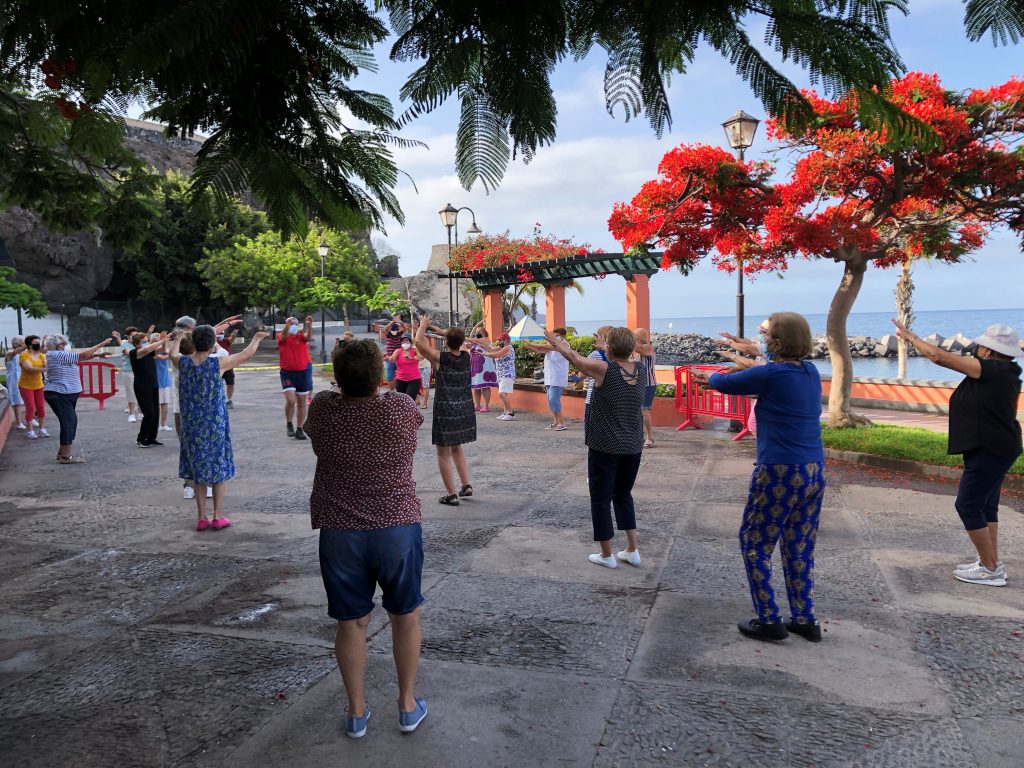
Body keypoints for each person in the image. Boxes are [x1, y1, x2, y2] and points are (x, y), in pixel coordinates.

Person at [304, 338, 429, 738]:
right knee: (405, 616)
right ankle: (407, 705)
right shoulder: (400, 407)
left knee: (350, 624)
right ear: (381, 374)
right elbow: (410, 415)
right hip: (397, 527)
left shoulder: (323, 409)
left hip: (341, 534)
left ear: (338, 377)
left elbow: (321, 402)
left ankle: (357, 712)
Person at [694, 312, 825, 642]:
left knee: (755, 543)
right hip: (813, 470)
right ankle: (805, 619)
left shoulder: (772, 374)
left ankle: (769, 619)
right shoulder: (810, 372)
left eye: (769, 337)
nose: (764, 340)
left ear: (778, 343)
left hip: (779, 471)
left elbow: (722, 383)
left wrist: (704, 376)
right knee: (799, 545)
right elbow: (763, 373)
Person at [893, 320, 1023, 587]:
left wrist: (910, 338)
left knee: (967, 504)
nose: (976, 348)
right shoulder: (1006, 371)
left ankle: (989, 569)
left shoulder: (990, 369)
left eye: (981, 345)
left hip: (990, 448)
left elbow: (939, 356)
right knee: (986, 505)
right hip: (997, 445)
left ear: (988, 351)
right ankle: (992, 562)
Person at [544, 327, 646, 568]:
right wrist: (608, 346)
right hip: (632, 445)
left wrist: (559, 344)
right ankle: (632, 549)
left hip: (605, 446)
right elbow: (620, 355)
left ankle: (607, 555)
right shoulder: (640, 370)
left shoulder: (605, 370)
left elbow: (574, 359)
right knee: (623, 495)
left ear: (609, 348)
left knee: (600, 499)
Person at [169, 324, 268, 530]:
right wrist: (257, 338)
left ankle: (201, 517)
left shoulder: (184, 363)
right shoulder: (218, 363)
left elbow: (172, 354)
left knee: (197, 471)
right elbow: (246, 355)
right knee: (218, 468)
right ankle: (218, 516)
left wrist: (178, 338)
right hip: (214, 424)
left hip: (191, 425)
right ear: (213, 343)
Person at [414, 319, 475, 505]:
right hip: (464, 408)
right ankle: (466, 485)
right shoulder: (467, 356)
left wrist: (423, 325)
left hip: (446, 409)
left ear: (446, 342)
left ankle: (451, 494)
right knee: (457, 447)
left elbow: (418, 342)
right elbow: (459, 341)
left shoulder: (441, 358)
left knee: (443, 453)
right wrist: (446, 334)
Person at [42, 334, 112, 463]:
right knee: (69, 422)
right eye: (62, 343)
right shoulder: (56, 354)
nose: (65, 345)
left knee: (69, 422)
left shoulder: (61, 355)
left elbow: (80, 358)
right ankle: (65, 457)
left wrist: (98, 355)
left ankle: (62, 452)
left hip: (66, 393)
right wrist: (101, 344)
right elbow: (83, 356)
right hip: (60, 393)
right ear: (56, 346)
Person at [524, 327, 570, 430]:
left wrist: (531, 343)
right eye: (554, 335)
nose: (555, 337)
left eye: (557, 335)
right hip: (549, 377)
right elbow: (541, 349)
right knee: (550, 400)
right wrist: (529, 347)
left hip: (558, 378)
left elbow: (545, 346)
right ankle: (555, 422)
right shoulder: (551, 348)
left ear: (563, 336)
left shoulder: (564, 345)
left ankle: (562, 423)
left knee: (554, 399)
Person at [277, 315, 314, 439]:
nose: (293, 326)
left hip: (302, 372)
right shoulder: (281, 336)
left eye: (295, 324)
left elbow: (308, 337)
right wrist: (287, 325)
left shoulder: (301, 336)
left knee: (302, 402)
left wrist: (309, 326)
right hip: (287, 373)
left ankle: (300, 428)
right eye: (291, 323)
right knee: (291, 400)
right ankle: (289, 424)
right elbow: (282, 337)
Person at [129, 331, 167, 447]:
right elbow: (145, 350)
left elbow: (162, 350)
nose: (146, 344)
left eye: (147, 341)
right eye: (144, 342)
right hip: (142, 386)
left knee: (155, 413)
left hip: (153, 385)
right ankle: (141, 438)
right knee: (149, 413)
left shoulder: (150, 353)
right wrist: (161, 341)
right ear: (137, 344)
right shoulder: (134, 353)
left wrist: (164, 341)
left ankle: (151, 438)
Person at [472, 332, 517, 420]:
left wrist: (483, 354)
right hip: (501, 375)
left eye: (501, 340)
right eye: (499, 340)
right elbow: (491, 349)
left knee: (501, 394)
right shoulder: (502, 347)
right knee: (504, 394)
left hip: (507, 375)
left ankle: (510, 413)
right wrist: (481, 345)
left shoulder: (508, 348)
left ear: (506, 340)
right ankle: (505, 412)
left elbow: (495, 355)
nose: (499, 341)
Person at [18, 334, 49, 438]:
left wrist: (47, 365)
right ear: (30, 345)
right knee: (30, 407)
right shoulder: (24, 355)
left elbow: (46, 363)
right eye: (36, 343)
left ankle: (42, 429)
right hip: (26, 386)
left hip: (39, 385)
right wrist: (45, 369)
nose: (38, 344)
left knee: (41, 407)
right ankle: (30, 431)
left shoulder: (41, 355)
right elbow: (29, 368)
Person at [584, 326, 613, 426]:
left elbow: (582, 373)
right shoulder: (619, 356)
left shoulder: (595, 355)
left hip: (594, 397)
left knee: (593, 429)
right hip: (612, 397)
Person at [633, 328, 657, 447]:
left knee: (644, 410)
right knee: (637, 411)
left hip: (648, 383)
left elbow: (639, 349)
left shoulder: (647, 347)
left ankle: (650, 437)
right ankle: (639, 436)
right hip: (638, 383)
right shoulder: (636, 350)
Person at [112, 326, 140, 422]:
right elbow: (131, 354)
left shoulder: (140, 344)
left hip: (140, 371)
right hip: (129, 371)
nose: (135, 337)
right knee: (131, 393)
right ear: (127, 336)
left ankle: (141, 412)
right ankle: (131, 414)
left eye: (136, 335)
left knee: (142, 391)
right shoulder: (124, 345)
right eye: (132, 336)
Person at [469, 326, 497, 412]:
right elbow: (468, 345)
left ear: (484, 333)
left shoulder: (486, 340)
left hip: (485, 368)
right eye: (476, 333)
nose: (477, 334)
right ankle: (477, 405)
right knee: (475, 387)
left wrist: (466, 338)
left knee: (485, 386)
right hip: (475, 367)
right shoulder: (474, 342)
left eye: (479, 332)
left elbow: (476, 341)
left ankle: (486, 405)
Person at [389, 332, 423, 401]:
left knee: (409, 400)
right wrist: (388, 359)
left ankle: (412, 410)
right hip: (400, 380)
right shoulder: (398, 351)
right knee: (401, 401)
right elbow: (392, 359)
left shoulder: (415, 350)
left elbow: (421, 357)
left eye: (407, 340)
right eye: (403, 341)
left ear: (410, 342)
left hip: (414, 380)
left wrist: (412, 358)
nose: (405, 343)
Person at [379, 313, 408, 390]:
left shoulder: (400, 335)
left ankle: (400, 390)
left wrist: (400, 321)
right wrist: (393, 321)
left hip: (399, 358)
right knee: (389, 377)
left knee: (402, 376)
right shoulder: (388, 335)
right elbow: (385, 329)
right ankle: (392, 392)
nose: (394, 331)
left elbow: (405, 329)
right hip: (390, 358)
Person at [152, 332, 174, 432]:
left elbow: (169, 354)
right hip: (155, 380)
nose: (159, 343)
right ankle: (153, 425)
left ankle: (163, 424)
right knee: (154, 405)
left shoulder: (163, 348)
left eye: (159, 341)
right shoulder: (150, 350)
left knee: (165, 404)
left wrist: (164, 341)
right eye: (156, 341)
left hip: (165, 379)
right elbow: (159, 356)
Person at [5, 336, 27, 430]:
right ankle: (19, 422)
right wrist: (26, 344)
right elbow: (14, 353)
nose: (23, 345)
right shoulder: (10, 353)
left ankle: (28, 418)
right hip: (13, 380)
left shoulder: (22, 354)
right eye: (21, 343)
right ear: (15, 344)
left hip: (22, 378)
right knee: (17, 401)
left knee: (26, 399)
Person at [217, 327, 239, 408]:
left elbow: (231, 339)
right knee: (216, 384)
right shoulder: (211, 342)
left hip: (228, 366)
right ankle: (217, 399)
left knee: (230, 383)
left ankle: (229, 400)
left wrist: (234, 335)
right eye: (219, 333)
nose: (220, 335)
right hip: (217, 366)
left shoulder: (226, 341)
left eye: (222, 334)